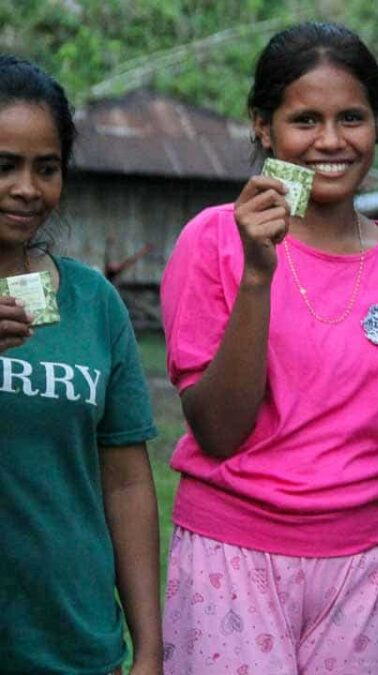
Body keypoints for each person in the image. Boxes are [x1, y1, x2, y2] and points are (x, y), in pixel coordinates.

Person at [159, 22, 378, 674]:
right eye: (305, 119)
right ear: (263, 127)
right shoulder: (215, 240)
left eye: (352, 117)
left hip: (368, 564)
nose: (331, 140)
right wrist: (258, 273)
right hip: (231, 554)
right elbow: (217, 430)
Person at [0, 56, 162, 674]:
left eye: (47, 168)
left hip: (75, 643)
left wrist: (147, 650)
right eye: (5, 165)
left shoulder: (92, 302)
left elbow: (124, 482)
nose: (27, 188)